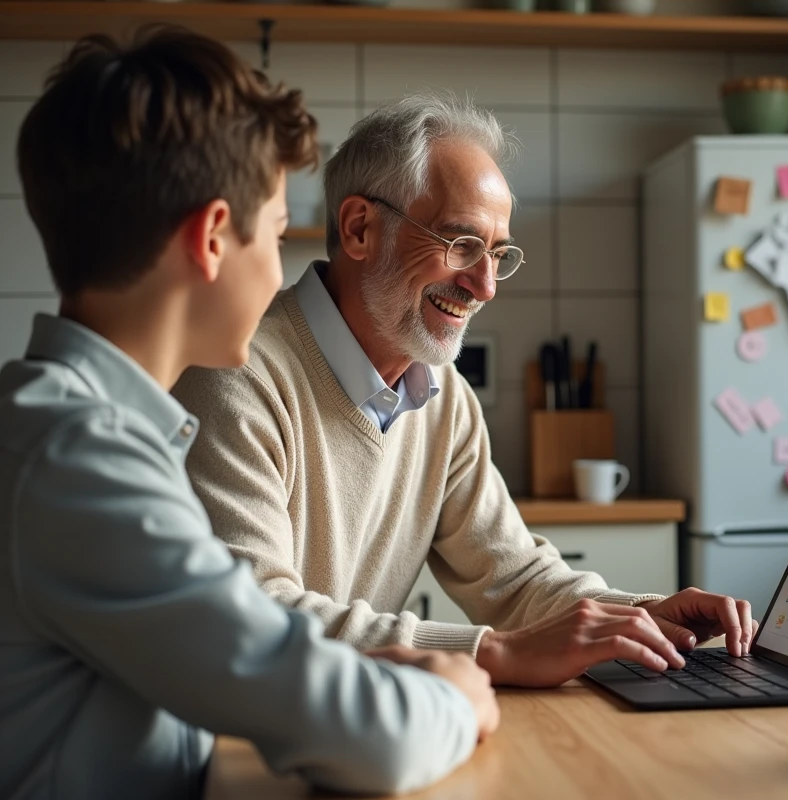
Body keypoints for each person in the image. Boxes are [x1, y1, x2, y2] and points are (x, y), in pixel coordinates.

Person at [0, 29, 498, 799]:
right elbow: (369, 739)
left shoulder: (87, 431)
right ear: (209, 241)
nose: (281, 268)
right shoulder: (79, 461)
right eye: (273, 233)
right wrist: (454, 698)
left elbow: (248, 653)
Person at [173, 90, 758, 688]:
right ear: (358, 228)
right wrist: (490, 652)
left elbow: (512, 576)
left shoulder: (441, 396)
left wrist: (640, 615)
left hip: (350, 723)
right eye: (461, 244)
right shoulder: (237, 377)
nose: (484, 286)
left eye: (498, 254)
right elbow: (255, 613)